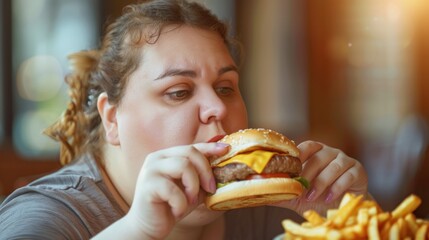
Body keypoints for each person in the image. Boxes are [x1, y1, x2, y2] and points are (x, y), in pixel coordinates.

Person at [0, 0, 369, 239]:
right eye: (178, 92)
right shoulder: (48, 215)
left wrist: (350, 220)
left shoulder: (271, 209)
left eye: (225, 88)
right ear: (112, 119)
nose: (218, 109)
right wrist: (139, 231)